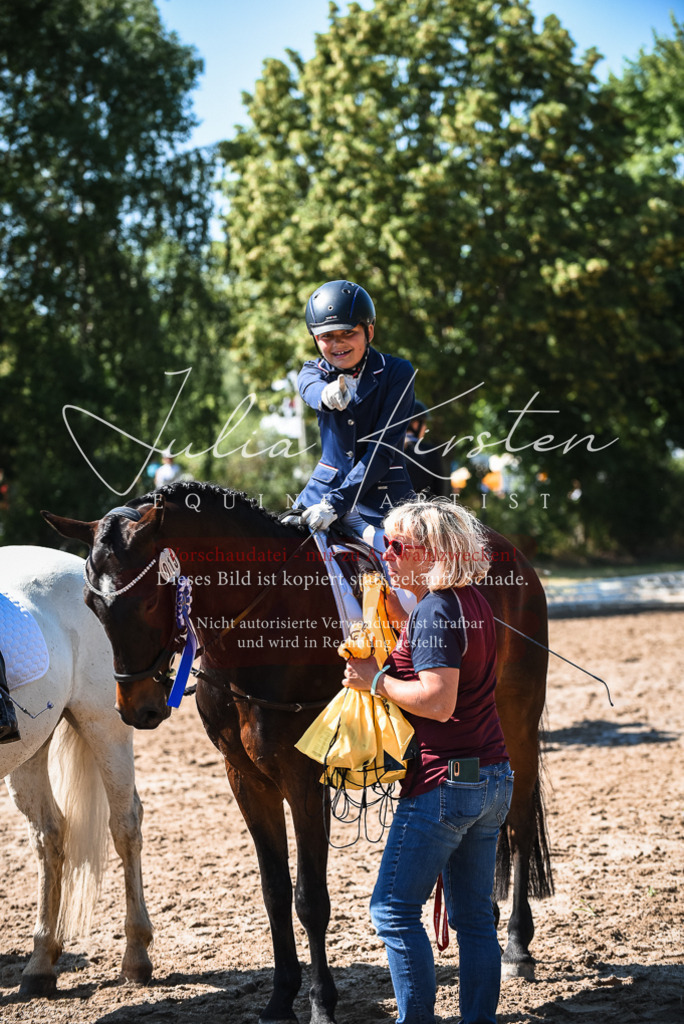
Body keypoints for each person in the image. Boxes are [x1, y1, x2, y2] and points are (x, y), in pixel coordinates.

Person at [342, 497, 513, 1024]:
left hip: (446, 783)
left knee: (392, 911)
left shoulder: (438, 611)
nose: (385, 556)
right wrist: (408, 619)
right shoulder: (470, 601)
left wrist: (374, 678)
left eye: (396, 546)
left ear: (432, 551)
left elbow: (439, 700)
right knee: (475, 920)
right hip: (491, 777)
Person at [295, 280, 416, 551]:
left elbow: (382, 451)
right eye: (327, 336)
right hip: (319, 492)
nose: (337, 344)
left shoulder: (398, 372)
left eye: (347, 333)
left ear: (369, 331)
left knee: (405, 577)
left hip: (383, 498)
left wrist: (336, 504)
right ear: (315, 338)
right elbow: (309, 387)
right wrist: (325, 395)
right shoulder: (313, 371)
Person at [404, 399, 451, 497]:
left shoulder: (390, 449)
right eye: (424, 423)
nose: (425, 427)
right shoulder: (429, 452)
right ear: (416, 424)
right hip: (424, 509)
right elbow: (439, 489)